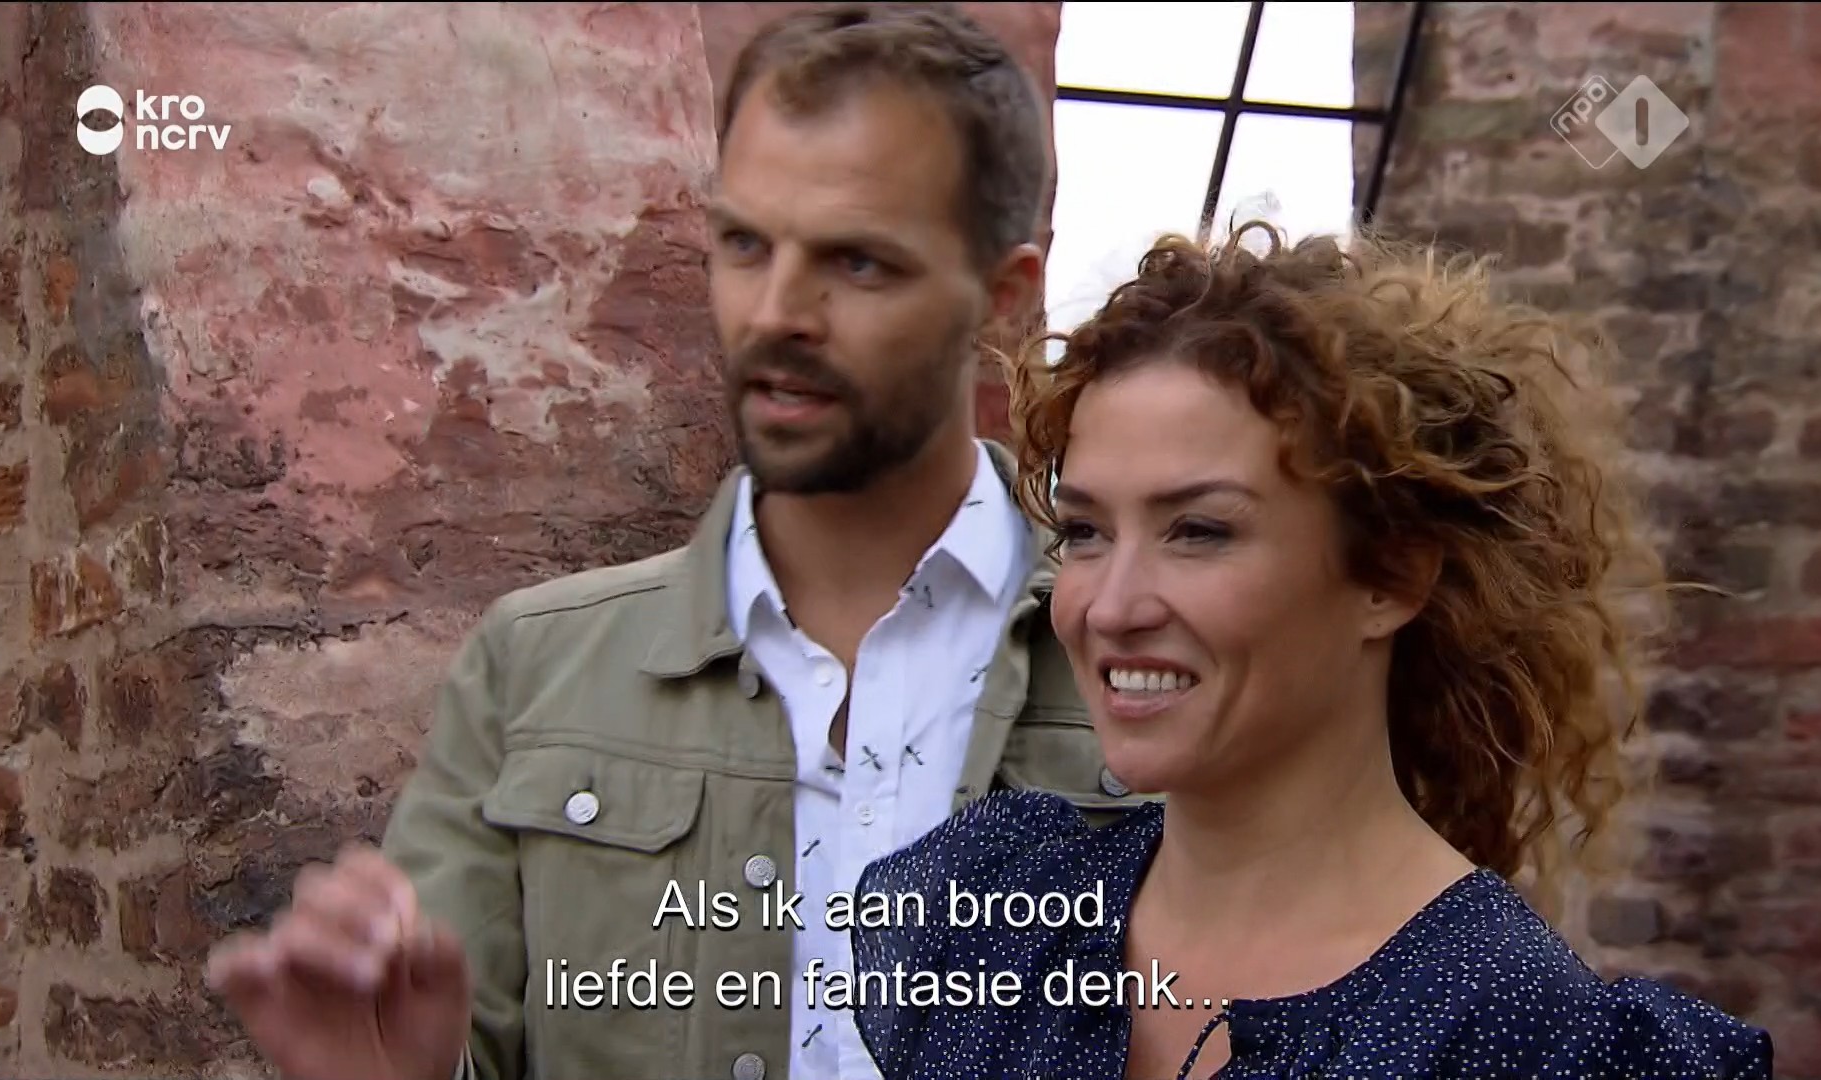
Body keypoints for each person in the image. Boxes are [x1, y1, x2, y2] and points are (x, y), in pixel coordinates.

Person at [202, 5, 1149, 1080]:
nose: (777, 312)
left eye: (857, 261)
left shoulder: (1140, 659)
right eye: (745, 244)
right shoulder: (534, 669)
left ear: (1001, 297)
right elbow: (446, 1049)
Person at [847, 223, 1777, 1079]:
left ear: (1390, 577)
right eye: (1086, 532)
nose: (1111, 607)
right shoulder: (997, 927)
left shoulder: (1524, 1038)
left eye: (1199, 531)